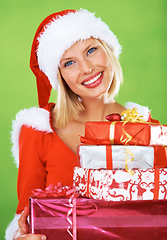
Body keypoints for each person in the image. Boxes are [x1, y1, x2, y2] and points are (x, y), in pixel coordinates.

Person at [5, 9, 151, 240]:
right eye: (69, 62)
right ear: (59, 75)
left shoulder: (146, 129)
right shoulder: (39, 129)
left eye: (91, 50)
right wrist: (19, 236)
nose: (86, 68)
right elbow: (25, 216)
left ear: (108, 49)